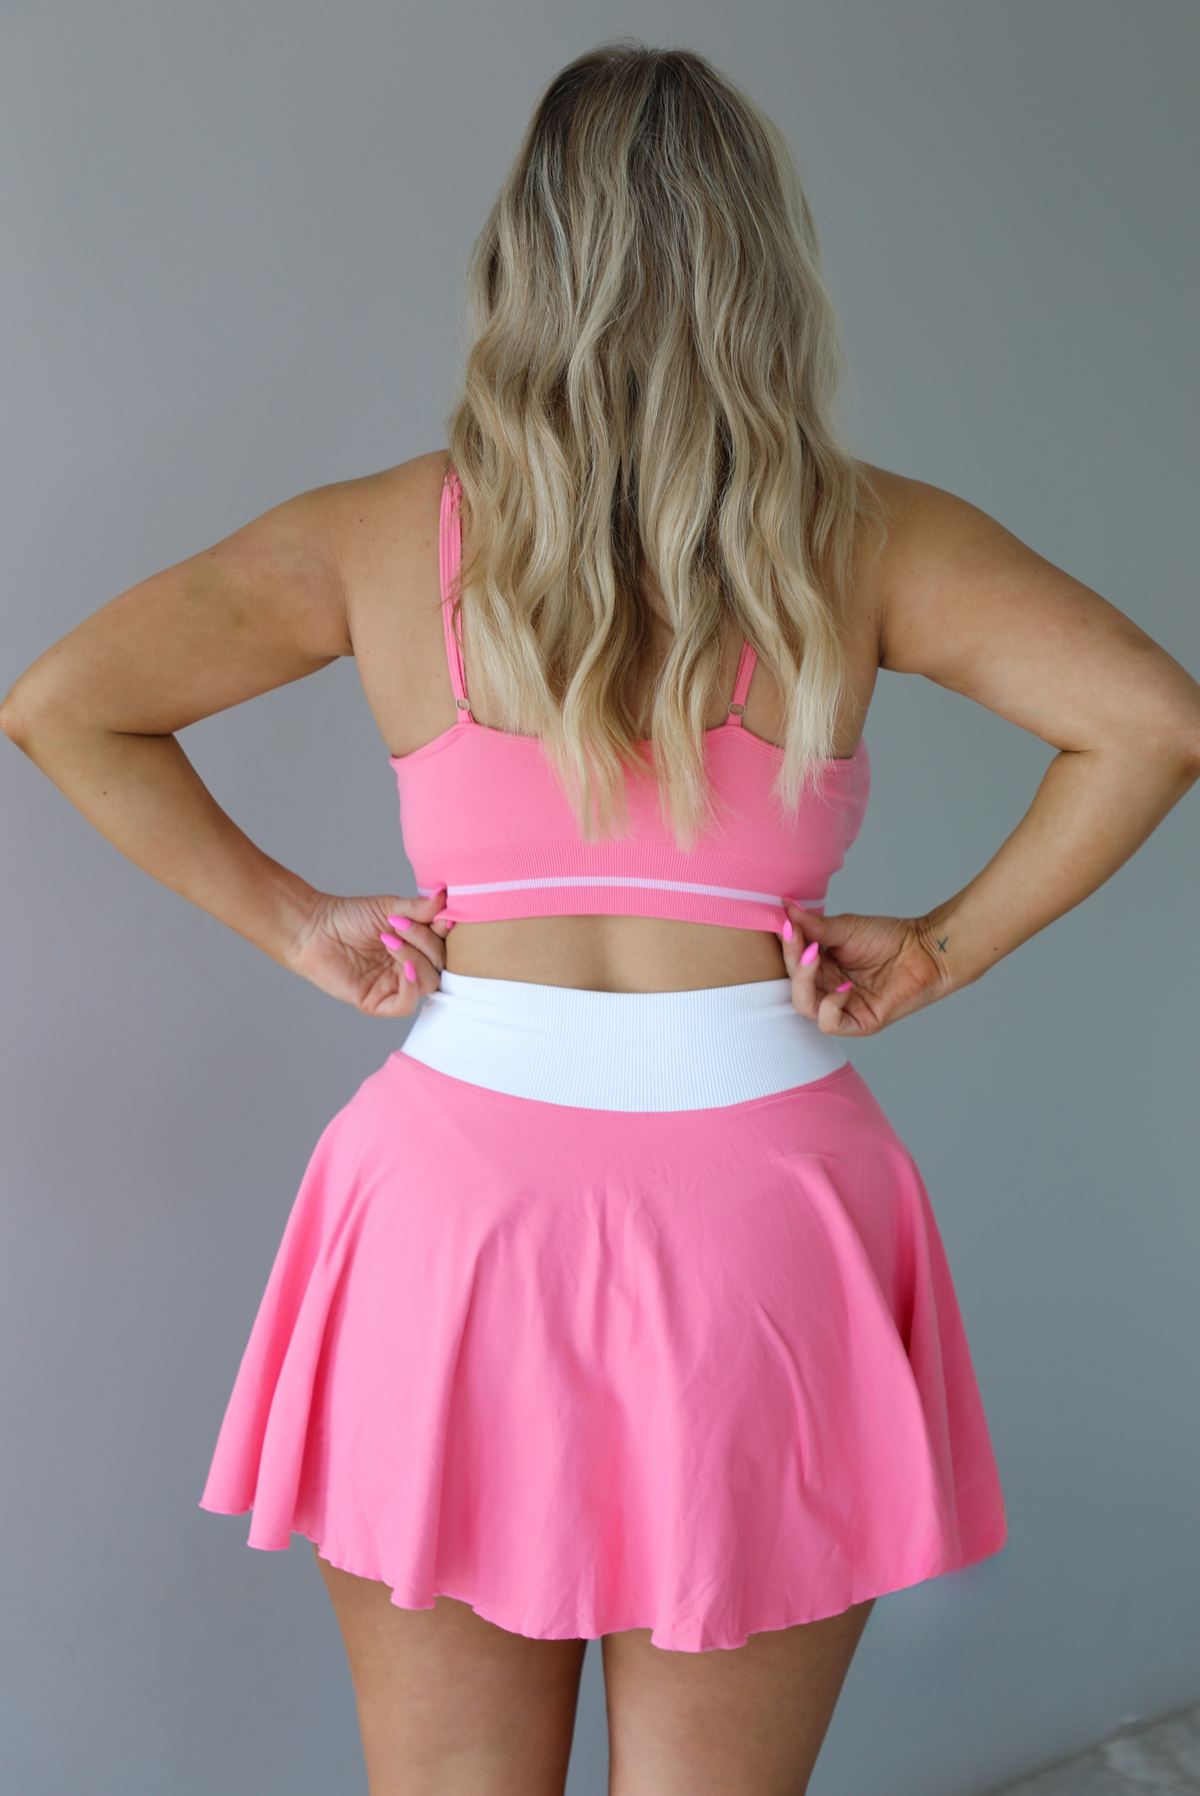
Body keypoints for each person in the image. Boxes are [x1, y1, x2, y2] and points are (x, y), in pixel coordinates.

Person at [4, 37, 1198, 1796]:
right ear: (767, 270)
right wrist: (939, 944)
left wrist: (293, 923)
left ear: (521, 267)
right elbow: (1155, 724)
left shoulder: (376, 533)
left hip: (447, 1218)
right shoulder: (863, 538)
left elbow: (62, 701)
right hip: (766, 1220)